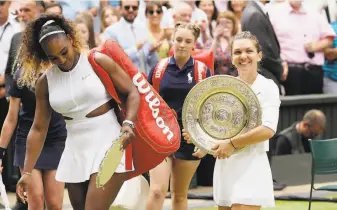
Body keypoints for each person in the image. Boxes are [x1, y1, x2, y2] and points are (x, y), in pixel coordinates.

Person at [14, 14, 140, 210]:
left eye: (64, 52)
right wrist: (27, 172)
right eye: (53, 58)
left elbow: (132, 92)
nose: (62, 60)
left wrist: (128, 123)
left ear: (71, 40)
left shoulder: (97, 60)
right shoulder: (45, 83)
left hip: (110, 142)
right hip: (74, 150)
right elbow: (38, 129)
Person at [183, 31, 281, 210]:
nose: (243, 56)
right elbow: (218, 129)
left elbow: (268, 129)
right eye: (237, 52)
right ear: (231, 57)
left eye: (249, 51)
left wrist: (232, 143)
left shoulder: (268, 87)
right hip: (225, 166)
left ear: (259, 55)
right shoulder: (224, 87)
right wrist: (203, 142)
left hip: (252, 164)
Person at [146, 22, 212, 210]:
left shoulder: (202, 71)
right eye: (179, 40)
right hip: (161, 134)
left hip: (189, 137)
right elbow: (148, 104)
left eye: (187, 41)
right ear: (172, 41)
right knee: (157, 191)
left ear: (194, 44)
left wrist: (203, 140)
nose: (182, 44)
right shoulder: (159, 69)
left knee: (180, 194)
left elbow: (208, 108)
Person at [0, 67, 66, 210]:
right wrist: (0, 153)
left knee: (54, 203)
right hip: (27, 140)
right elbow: (11, 118)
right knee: (36, 199)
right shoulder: (22, 74)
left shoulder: (61, 69)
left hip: (56, 139)